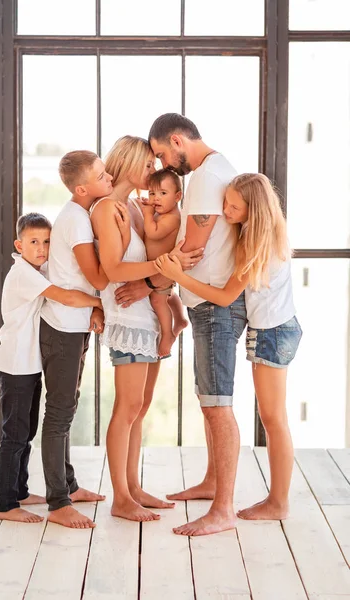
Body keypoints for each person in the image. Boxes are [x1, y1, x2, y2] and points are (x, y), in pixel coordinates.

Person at [156, 173, 302, 523]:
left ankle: (279, 502)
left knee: (273, 418)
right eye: (225, 203)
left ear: (253, 209)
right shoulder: (256, 230)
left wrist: (178, 276)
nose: (225, 210)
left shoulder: (259, 242)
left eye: (233, 206)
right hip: (269, 329)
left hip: (274, 333)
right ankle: (241, 489)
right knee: (271, 417)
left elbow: (224, 297)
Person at [90, 135, 203, 522]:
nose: (153, 172)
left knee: (140, 407)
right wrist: (163, 269)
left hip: (148, 319)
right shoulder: (106, 209)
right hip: (127, 318)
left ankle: (133, 487)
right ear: (127, 162)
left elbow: (155, 252)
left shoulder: (135, 210)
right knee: (126, 407)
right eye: (148, 165)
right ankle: (120, 496)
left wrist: (162, 273)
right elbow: (113, 272)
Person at [149, 113, 247, 537]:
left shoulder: (206, 178)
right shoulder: (213, 171)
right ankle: (212, 484)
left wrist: (151, 281)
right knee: (210, 401)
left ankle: (223, 509)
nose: (162, 164)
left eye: (161, 154)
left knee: (218, 405)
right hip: (206, 303)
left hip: (214, 307)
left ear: (176, 140)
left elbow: (190, 249)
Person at [39, 150, 129, 529]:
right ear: (81, 188)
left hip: (74, 323)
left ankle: (70, 485)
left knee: (68, 406)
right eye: (101, 174)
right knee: (59, 412)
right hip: (62, 327)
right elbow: (98, 278)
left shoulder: (80, 215)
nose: (108, 177)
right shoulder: (76, 221)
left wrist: (95, 309)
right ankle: (58, 501)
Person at [0, 212, 102, 523]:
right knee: (14, 435)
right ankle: (5, 504)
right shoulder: (24, 274)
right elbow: (65, 296)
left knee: (25, 431)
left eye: (47, 242)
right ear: (19, 244)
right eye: (34, 242)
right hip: (15, 366)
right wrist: (99, 303)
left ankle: (21, 491)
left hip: (28, 366)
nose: (42, 248)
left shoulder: (35, 271)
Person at [142, 168, 188, 357]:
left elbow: (153, 232)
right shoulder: (164, 214)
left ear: (177, 196)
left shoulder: (172, 218)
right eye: (152, 193)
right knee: (168, 295)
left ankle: (168, 334)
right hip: (162, 269)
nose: (156, 199)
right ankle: (180, 319)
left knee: (158, 299)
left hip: (163, 270)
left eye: (163, 193)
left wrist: (146, 214)